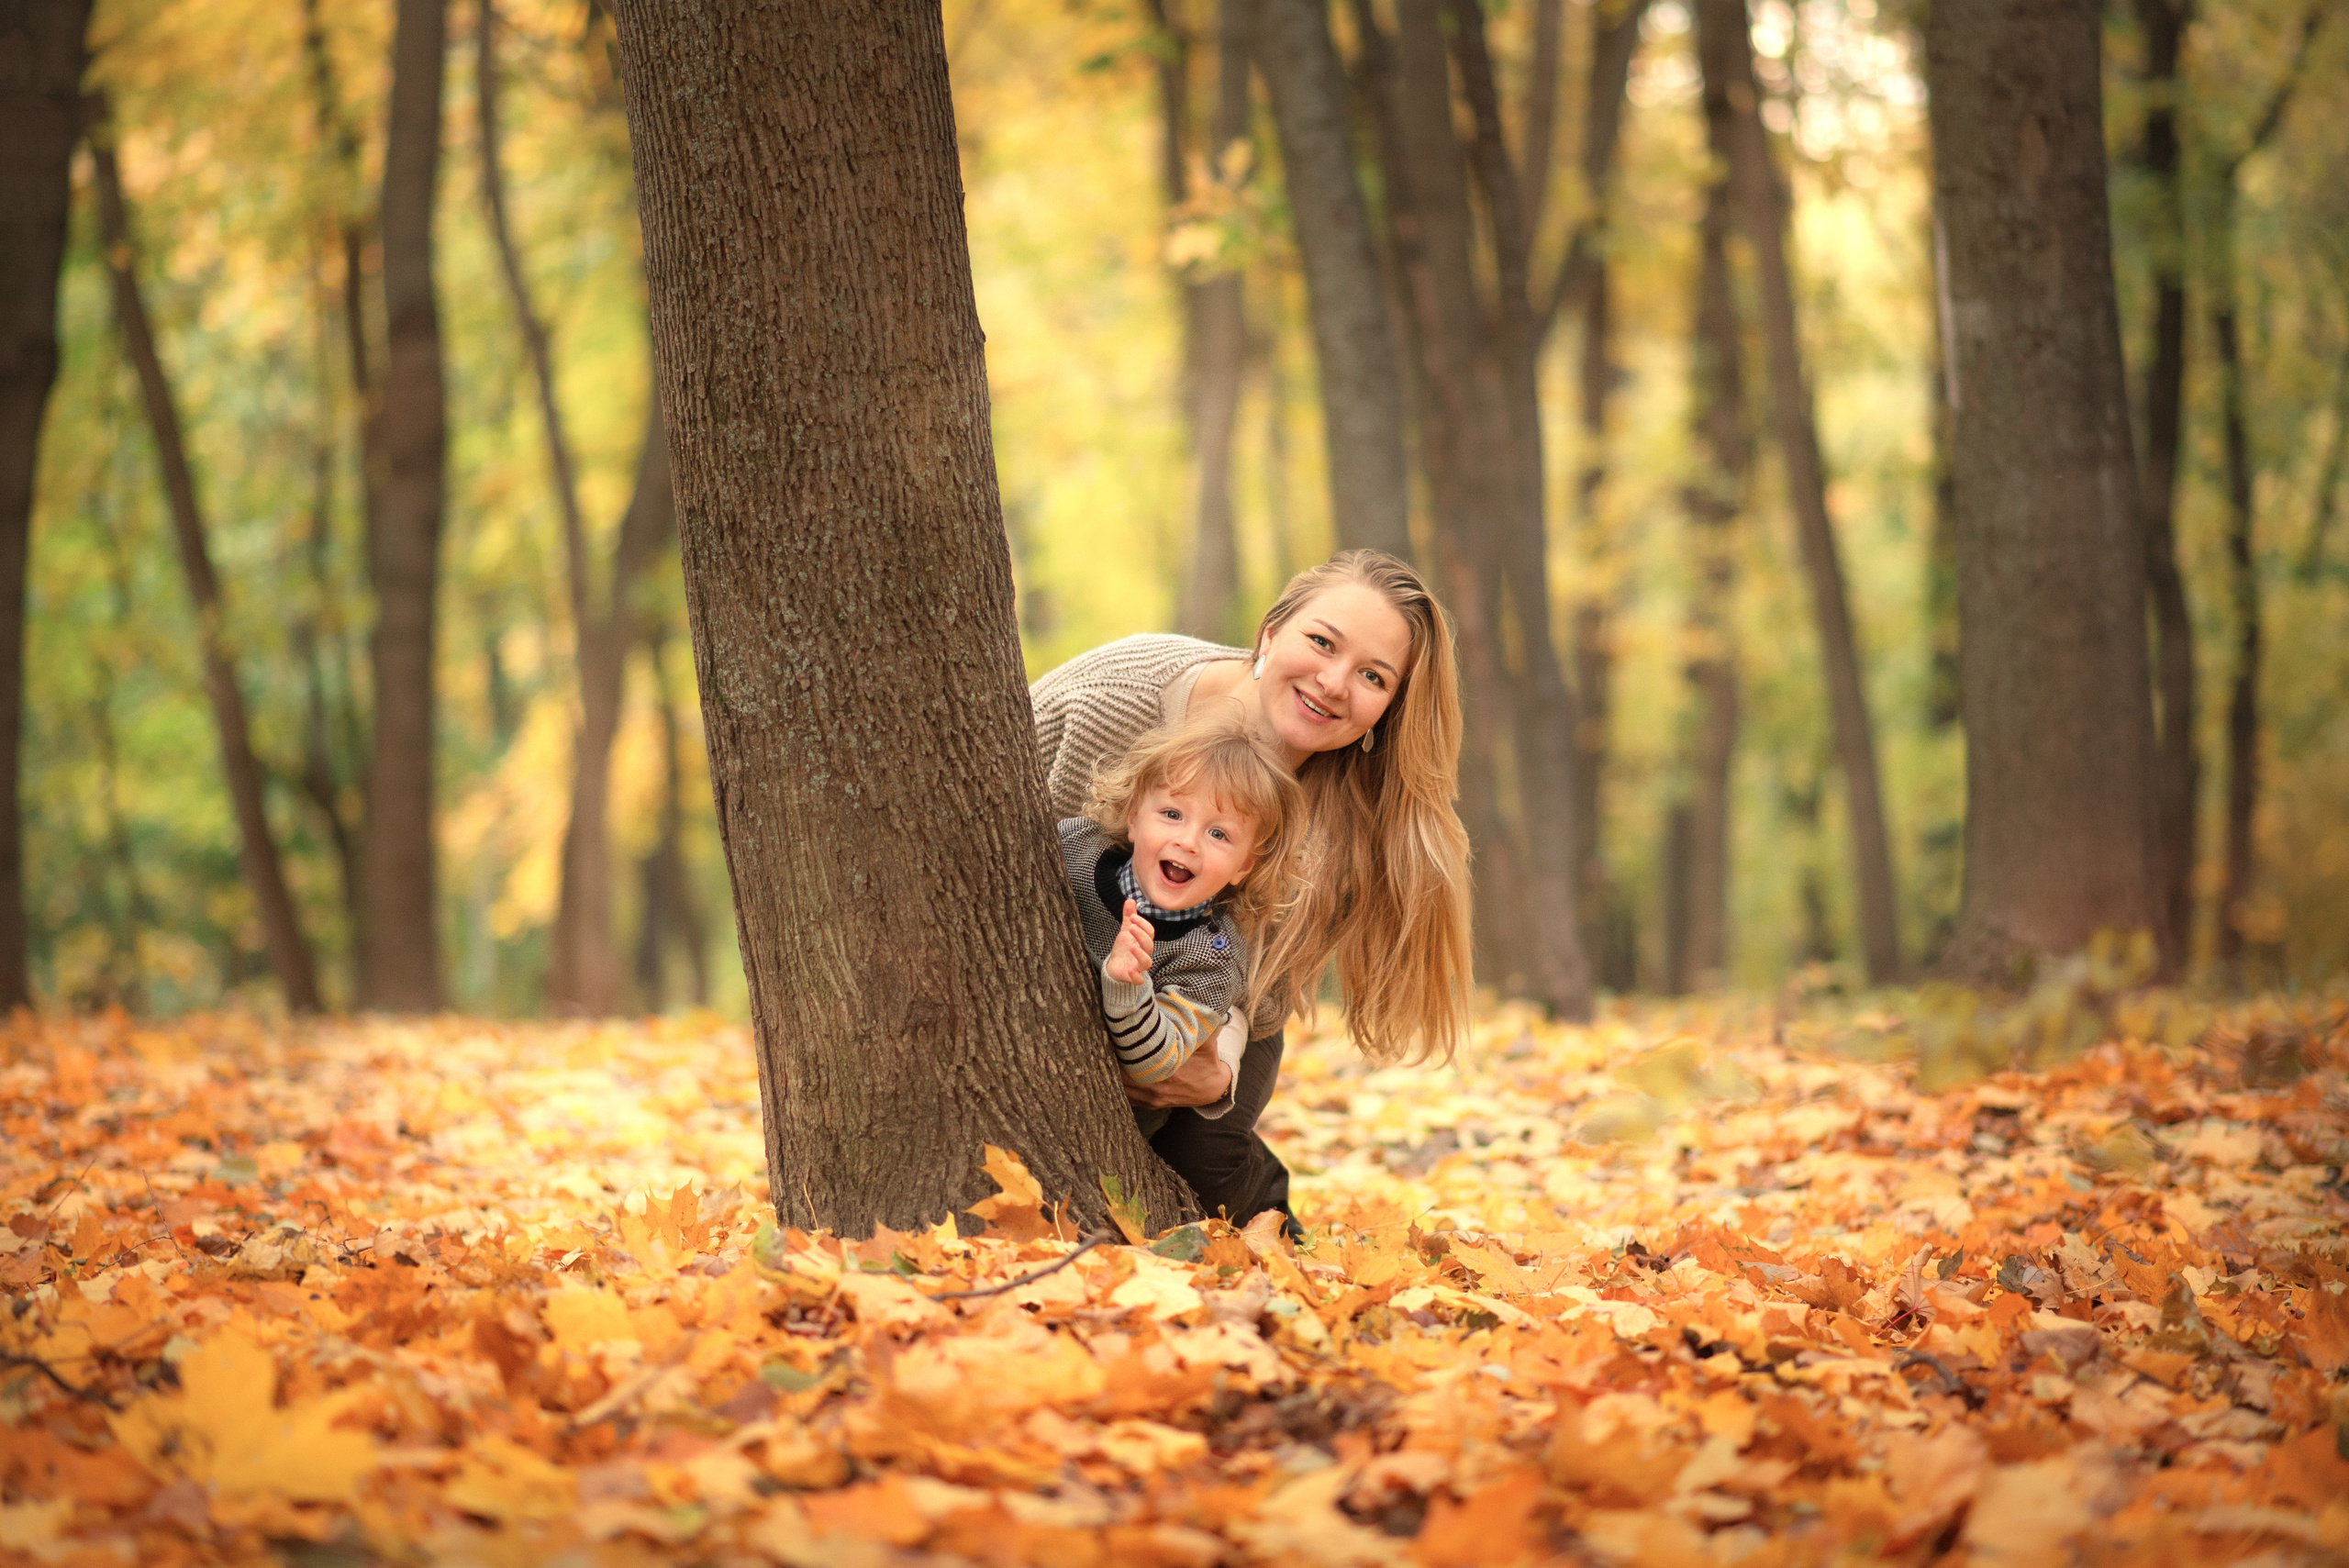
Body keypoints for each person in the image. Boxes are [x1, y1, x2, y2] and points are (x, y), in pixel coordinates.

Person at [1030, 550, 1473, 1226]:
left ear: (1386, 708)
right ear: (1270, 633)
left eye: (1372, 676)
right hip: (1075, 950)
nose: (1331, 681)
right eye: (1321, 641)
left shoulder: (1339, 826)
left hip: (1214, 1000)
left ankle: (1266, 1209)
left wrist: (1216, 1071)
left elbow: (1255, 988)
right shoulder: (1115, 700)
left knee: (1202, 1169)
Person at [1056, 706, 1303, 1139]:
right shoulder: (1076, 846)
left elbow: (1155, 1066)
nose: (1187, 842)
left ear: (1245, 865)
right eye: (1172, 814)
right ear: (1134, 817)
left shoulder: (1211, 960)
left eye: (1219, 834)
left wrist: (1128, 984)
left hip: (1107, 1124)